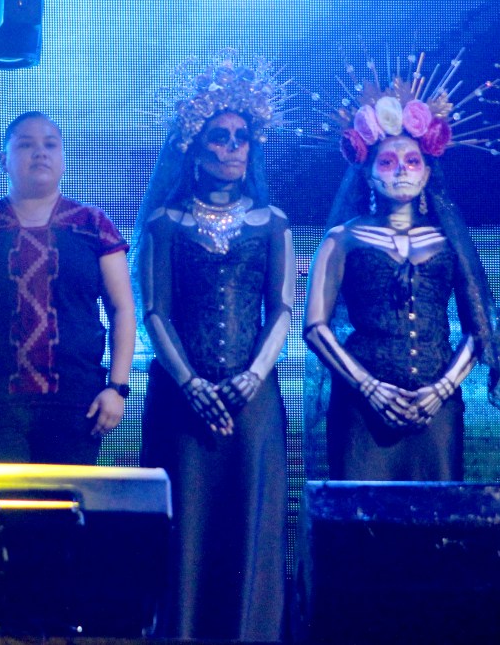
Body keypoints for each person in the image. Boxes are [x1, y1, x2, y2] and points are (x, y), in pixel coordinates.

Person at [134, 51, 293, 641]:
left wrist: (253, 376)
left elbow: (282, 308)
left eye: (241, 137)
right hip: (181, 401)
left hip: (254, 402)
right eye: (219, 137)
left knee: (251, 523)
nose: (231, 148)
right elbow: (155, 312)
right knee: (185, 525)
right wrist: (191, 384)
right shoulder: (164, 224)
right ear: (193, 147)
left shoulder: (273, 222)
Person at [304, 55, 500, 481]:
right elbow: (315, 328)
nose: (401, 170)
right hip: (362, 409)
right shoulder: (342, 239)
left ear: (426, 174)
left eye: (412, 161)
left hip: (436, 409)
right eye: (387, 162)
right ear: (368, 175)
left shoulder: (448, 241)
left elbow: (479, 328)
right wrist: (369, 388)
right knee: (362, 516)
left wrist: (442, 390)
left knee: (436, 517)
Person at [0, 111, 134, 464]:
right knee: (2, 499)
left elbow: (122, 309)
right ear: (4, 161)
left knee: (65, 500)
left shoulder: (93, 224)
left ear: (63, 158)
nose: (40, 152)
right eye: (26, 145)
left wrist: (117, 388)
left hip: (77, 402)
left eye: (50, 145)